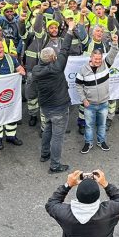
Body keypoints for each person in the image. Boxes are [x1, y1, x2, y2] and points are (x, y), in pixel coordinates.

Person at [31, 22, 77, 174]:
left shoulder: (37, 70)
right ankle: (55, 165)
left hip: (45, 107)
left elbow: (58, 54)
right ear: (53, 58)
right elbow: (65, 49)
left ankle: (45, 154)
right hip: (60, 107)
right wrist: (70, 30)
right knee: (58, 137)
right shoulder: (57, 68)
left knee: (48, 130)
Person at [75, 34, 119, 154]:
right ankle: (88, 143)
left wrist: (115, 43)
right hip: (89, 104)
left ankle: (101, 141)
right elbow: (78, 85)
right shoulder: (83, 70)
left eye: (100, 59)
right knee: (89, 126)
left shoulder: (106, 64)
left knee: (102, 125)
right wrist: (83, 99)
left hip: (104, 103)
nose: (98, 61)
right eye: (96, 59)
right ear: (91, 57)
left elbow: (113, 53)